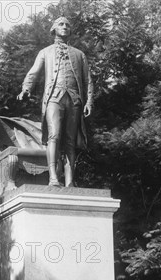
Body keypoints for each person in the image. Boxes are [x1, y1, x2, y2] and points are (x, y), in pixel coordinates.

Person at [17, 17, 93, 187]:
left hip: (74, 100)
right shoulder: (45, 52)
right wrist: (26, 89)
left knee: (70, 141)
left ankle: (70, 182)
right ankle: (53, 178)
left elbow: (88, 80)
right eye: (61, 24)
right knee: (54, 134)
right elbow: (33, 72)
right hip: (53, 98)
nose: (65, 27)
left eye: (67, 25)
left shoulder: (79, 55)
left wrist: (89, 102)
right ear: (54, 29)